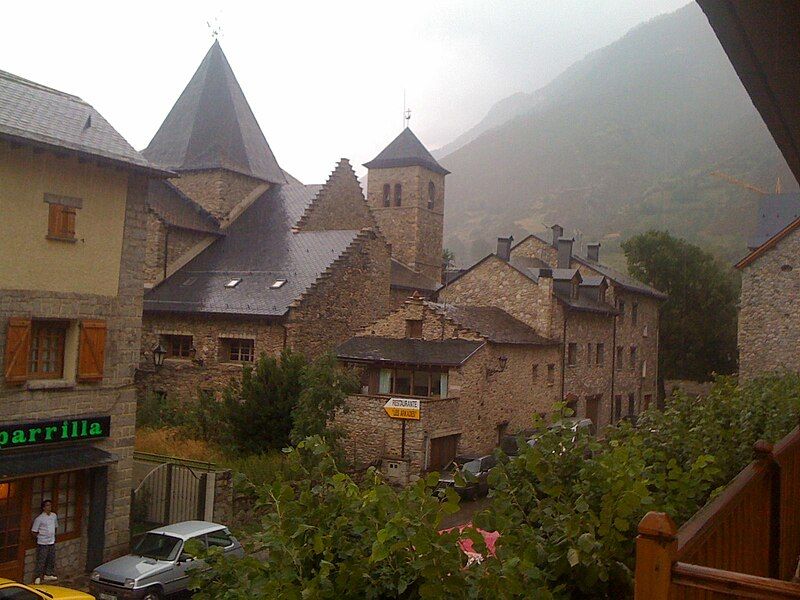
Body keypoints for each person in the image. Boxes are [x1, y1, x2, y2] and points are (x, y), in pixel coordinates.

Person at [31, 499, 58, 584]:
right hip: (43, 542)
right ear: (43, 507)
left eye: (50, 505)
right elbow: (34, 531)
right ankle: (38, 576)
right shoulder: (39, 518)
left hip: (51, 541)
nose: (49, 507)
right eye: (47, 505)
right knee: (41, 560)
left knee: (51, 559)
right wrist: (40, 537)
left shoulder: (54, 516)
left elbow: (55, 527)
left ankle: (48, 574)